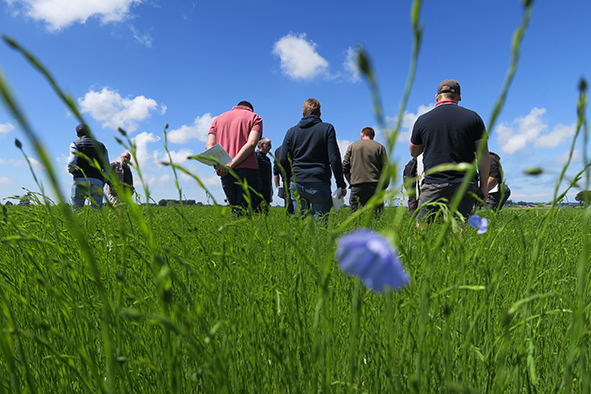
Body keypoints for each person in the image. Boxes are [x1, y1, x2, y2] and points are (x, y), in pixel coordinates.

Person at [409, 79, 490, 219]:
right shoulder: (474, 118)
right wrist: (483, 186)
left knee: (423, 228)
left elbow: (414, 152)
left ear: (437, 97)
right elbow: (483, 155)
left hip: (434, 182)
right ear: (459, 96)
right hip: (465, 183)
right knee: (461, 227)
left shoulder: (423, 120)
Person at [279, 98, 347, 217]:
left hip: (297, 181)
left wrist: (289, 179)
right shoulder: (327, 129)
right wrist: (341, 184)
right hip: (319, 181)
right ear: (319, 114)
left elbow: (282, 159)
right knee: (321, 225)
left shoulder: (291, 132)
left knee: (301, 227)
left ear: (303, 113)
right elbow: (334, 158)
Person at [206, 101, 263, 213]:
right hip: (247, 170)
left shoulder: (217, 119)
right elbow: (252, 144)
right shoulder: (255, 118)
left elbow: (209, 146)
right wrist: (231, 164)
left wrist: (221, 164)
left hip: (224, 171)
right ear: (250, 109)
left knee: (235, 210)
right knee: (245, 214)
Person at [342, 126, 389, 212]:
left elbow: (345, 166)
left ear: (361, 135)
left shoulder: (352, 147)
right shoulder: (380, 147)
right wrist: (385, 185)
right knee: (376, 216)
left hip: (357, 185)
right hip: (375, 186)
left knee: (354, 216)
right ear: (373, 136)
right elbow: (386, 169)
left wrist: (350, 180)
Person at [68, 123, 109, 208]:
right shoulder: (102, 146)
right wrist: (102, 181)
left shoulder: (75, 144)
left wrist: (72, 172)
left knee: (77, 211)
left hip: (80, 179)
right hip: (97, 181)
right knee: (97, 212)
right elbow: (107, 168)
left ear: (77, 134)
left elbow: (71, 162)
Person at [273, 145, 294, 214]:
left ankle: (289, 219)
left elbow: (275, 171)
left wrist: (278, 187)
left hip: (285, 179)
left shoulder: (277, 150)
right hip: (297, 177)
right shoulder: (294, 146)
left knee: (288, 201)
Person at [255, 137, 273, 212]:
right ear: (262, 144)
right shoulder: (255, 156)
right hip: (257, 189)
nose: (270, 147)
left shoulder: (267, 159)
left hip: (266, 190)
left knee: (265, 212)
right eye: (268, 145)